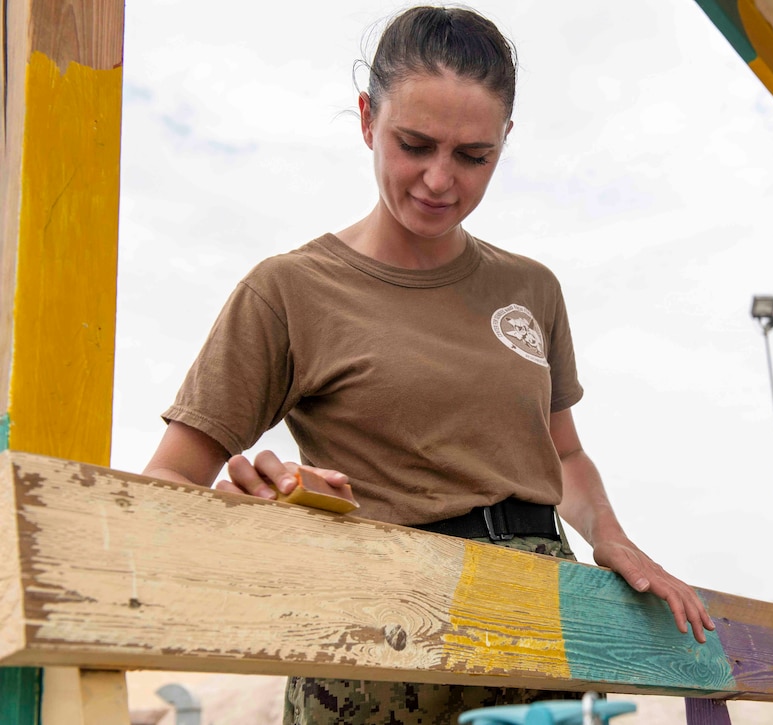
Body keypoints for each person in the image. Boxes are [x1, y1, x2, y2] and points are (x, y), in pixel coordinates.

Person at [143, 5, 714, 723]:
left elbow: (562, 454)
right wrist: (261, 505)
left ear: (505, 141)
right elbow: (167, 484)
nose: (440, 179)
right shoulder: (287, 291)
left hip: (541, 635)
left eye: (474, 156)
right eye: (413, 144)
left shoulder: (531, 289)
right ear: (364, 120)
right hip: (380, 645)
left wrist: (613, 537)